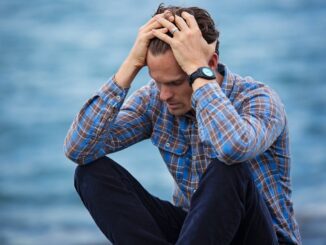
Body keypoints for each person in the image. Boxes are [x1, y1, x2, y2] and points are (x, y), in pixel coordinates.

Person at [64, 4, 302, 245]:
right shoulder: (155, 101)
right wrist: (131, 64)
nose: (164, 95)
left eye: (176, 82)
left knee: (229, 168)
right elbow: (79, 150)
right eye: (158, 82)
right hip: (195, 233)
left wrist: (199, 74)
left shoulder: (258, 100)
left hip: (261, 237)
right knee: (90, 174)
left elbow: (232, 148)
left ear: (209, 64)